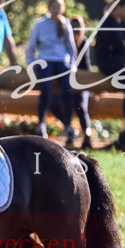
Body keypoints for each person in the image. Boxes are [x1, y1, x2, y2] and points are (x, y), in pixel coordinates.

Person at [25, 0, 78, 141]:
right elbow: (31, 47)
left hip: (62, 61)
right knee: (46, 88)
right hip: (45, 60)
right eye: (53, 6)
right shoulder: (40, 24)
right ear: (49, 8)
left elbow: (71, 48)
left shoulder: (65, 24)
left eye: (59, 7)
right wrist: (31, 64)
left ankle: (69, 125)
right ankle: (41, 124)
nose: (56, 10)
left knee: (67, 90)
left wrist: (72, 65)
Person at [50, 16, 93, 149]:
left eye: (78, 28)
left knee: (80, 105)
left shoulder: (84, 42)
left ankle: (87, 135)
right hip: (63, 82)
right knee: (54, 103)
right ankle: (70, 131)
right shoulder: (63, 40)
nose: (75, 31)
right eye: (73, 27)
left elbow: (86, 65)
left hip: (79, 82)